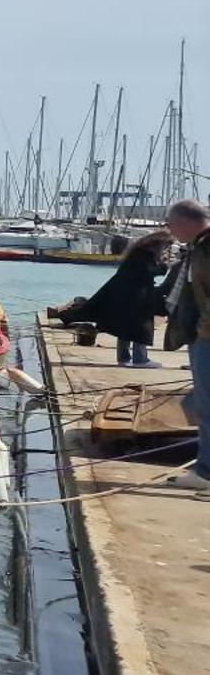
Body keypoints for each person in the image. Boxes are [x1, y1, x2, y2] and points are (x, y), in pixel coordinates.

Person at [61, 231, 171, 367]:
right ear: (157, 245)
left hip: (127, 297)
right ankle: (140, 359)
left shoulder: (136, 254)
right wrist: (163, 266)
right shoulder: (144, 256)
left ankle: (123, 358)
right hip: (137, 299)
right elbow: (147, 273)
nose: (165, 250)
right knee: (141, 328)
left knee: (125, 329)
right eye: (165, 247)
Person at [163, 199, 210, 492]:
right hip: (201, 335)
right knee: (199, 404)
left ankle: (205, 473)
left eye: (170, 224)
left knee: (204, 406)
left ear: (184, 221)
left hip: (208, 337)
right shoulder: (198, 248)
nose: (169, 230)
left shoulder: (206, 250)